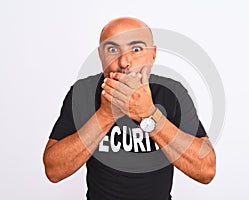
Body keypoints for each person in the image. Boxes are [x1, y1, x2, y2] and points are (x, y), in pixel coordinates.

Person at [43, 17, 216, 200]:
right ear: (101, 56)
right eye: (112, 49)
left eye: (136, 49)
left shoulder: (172, 93)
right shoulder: (83, 92)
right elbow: (53, 170)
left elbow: (206, 170)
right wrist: (105, 115)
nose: (124, 61)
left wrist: (148, 113)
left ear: (153, 54)